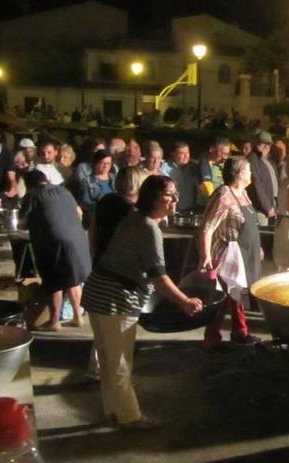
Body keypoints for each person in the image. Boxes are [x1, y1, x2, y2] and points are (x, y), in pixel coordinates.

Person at [82, 176, 203, 428]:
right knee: (119, 363)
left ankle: (112, 411)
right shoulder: (148, 227)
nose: (175, 199)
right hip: (115, 298)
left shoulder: (135, 218)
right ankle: (130, 417)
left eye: (175, 193)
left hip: (99, 292)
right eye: (169, 195)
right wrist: (185, 301)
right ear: (152, 198)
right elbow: (159, 277)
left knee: (107, 360)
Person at [200, 158, 262, 347]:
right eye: (248, 170)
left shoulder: (243, 194)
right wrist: (206, 255)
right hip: (227, 252)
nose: (251, 174)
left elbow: (250, 222)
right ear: (239, 174)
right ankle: (212, 338)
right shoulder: (223, 195)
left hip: (245, 251)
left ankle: (239, 332)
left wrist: (257, 247)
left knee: (236, 295)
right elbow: (207, 227)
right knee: (225, 296)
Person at [19, 170, 92, 331]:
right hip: (77, 239)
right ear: (46, 179)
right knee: (73, 278)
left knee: (55, 281)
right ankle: (77, 317)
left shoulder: (32, 195)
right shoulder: (64, 190)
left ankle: (54, 322)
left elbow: (22, 223)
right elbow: (79, 212)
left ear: (28, 184)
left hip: (54, 241)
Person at [89, 166, 147, 263]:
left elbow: (92, 233)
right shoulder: (134, 210)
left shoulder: (105, 200)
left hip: (101, 260)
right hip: (123, 266)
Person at [246, 132, 278, 225]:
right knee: (262, 235)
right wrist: (267, 207)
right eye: (262, 143)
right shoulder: (253, 159)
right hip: (260, 209)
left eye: (268, 144)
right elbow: (256, 185)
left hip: (273, 207)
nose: (266, 147)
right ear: (255, 144)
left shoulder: (269, 161)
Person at [78, 150, 116, 224]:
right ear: (95, 163)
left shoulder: (116, 179)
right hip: (98, 218)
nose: (105, 166)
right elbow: (85, 203)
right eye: (102, 163)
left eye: (108, 163)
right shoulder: (87, 182)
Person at [163, 142, 199, 212]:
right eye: (181, 153)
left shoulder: (195, 166)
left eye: (187, 152)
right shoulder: (165, 168)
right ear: (173, 154)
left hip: (192, 209)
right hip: (172, 209)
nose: (186, 156)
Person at [198, 137, 231, 205]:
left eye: (227, 154)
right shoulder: (204, 165)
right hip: (209, 205)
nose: (225, 157)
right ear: (212, 150)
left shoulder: (226, 164)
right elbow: (207, 187)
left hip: (225, 204)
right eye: (223, 154)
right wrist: (216, 203)